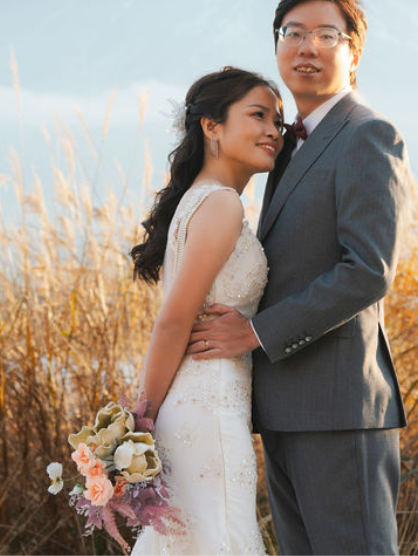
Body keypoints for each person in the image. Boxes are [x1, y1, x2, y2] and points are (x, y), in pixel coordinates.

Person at [189, 0, 410, 554]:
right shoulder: (287, 143)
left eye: (324, 35)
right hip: (283, 405)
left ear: (353, 52)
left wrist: (255, 331)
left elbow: (367, 269)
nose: (305, 46)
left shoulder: (367, 135)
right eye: (293, 33)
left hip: (340, 409)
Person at [130, 67, 284, 556]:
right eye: (258, 116)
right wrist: (139, 419)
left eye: (278, 121)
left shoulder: (200, 201)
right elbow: (174, 319)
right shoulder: (221, 205)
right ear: (211, 126)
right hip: (208, 414)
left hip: (201, 410)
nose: (273, 132)